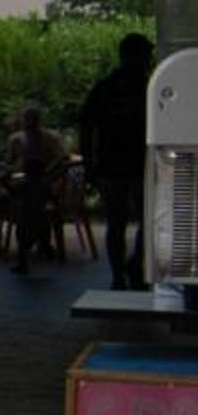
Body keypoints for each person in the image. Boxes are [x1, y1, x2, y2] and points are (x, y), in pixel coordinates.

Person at [80, 34, 155, 287]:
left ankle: (117, 276)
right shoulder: (149, 86)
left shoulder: (104, 87)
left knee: (116, 223)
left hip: (110, 166)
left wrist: (89, 164)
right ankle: (134, 267)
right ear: (144, 56)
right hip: (141, 166)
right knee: (148, 221)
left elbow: (86, 127)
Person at [4, 105, 68, 275]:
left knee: (28, 215)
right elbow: (9, 162)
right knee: (33, 214)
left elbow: (62, 159)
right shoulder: (16, 139)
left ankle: (35, 249)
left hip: (42, 184)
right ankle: (42, 245)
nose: (29, 121)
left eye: (33, 117)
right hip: (29, 183)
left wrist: (48, 174)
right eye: (27, 117)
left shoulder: (50, 138)